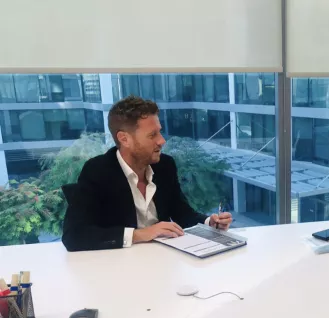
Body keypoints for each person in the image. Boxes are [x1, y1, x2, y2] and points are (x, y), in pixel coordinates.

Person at [62, 95, 232, 252]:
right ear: (124, 139)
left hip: (162, 261)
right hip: (119, 266)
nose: (162, 140)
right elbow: (74, 236)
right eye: (152, 135)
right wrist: (140, 234)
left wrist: (210, 223)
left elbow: (181, 212)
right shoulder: (97, 170)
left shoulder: (165, 165)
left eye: (159, 131)